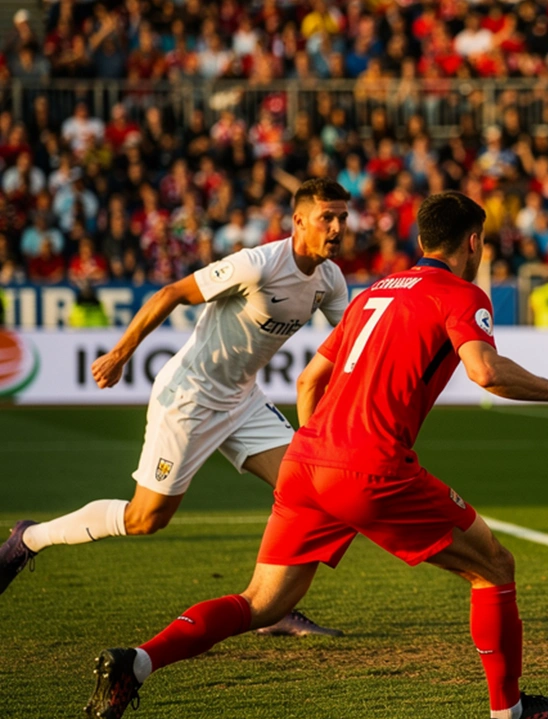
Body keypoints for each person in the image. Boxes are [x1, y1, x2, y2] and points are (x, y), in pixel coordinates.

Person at [83, 192, 548, 719]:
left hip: (306, 462)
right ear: (473, 243)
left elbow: (309, 380)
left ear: (422, 240)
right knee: (494, 566)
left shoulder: (374, 292)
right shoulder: (462, 294)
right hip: (371, 467)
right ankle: (510, 713)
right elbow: (485, 370)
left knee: (262, 602)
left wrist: (323, 455)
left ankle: (138, 662)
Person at [1, 179, 353, 637]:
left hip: (244, 400)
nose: (337, 227)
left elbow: (352, 347)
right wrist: (120, 354)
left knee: (308, 491)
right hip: (190, 396)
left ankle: (270, 607)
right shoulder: (258, 264)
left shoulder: (330, 280)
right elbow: (170, 293)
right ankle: (29, 538)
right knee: (145, 518)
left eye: (343, 217)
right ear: (299, 221)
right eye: (328, 217)